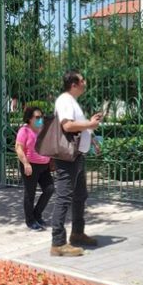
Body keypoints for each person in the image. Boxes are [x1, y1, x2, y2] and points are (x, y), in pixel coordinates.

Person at [50, 71, 103, 257]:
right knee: (64, 198)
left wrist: (92, 135)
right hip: (67, 158)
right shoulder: (64, 100)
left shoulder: (72, 101)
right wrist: (89, 124)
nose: (85, 82)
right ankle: (57, 243)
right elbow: (67, 126)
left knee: (80, 196)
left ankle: (77, 233)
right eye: (82, 80)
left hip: (78, 156)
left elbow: (80, 127)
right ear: (73, 84)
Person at [15, 106, 55, 231]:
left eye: (41, 117)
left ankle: (37, 214)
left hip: (44, 165)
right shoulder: (24, 131)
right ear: (30, 119)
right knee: (30, 194)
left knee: (49, 189)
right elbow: (18, 148)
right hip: (30, 165)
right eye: (37, 117)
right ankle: (30, 220)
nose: (40, 119)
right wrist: (26, 164)